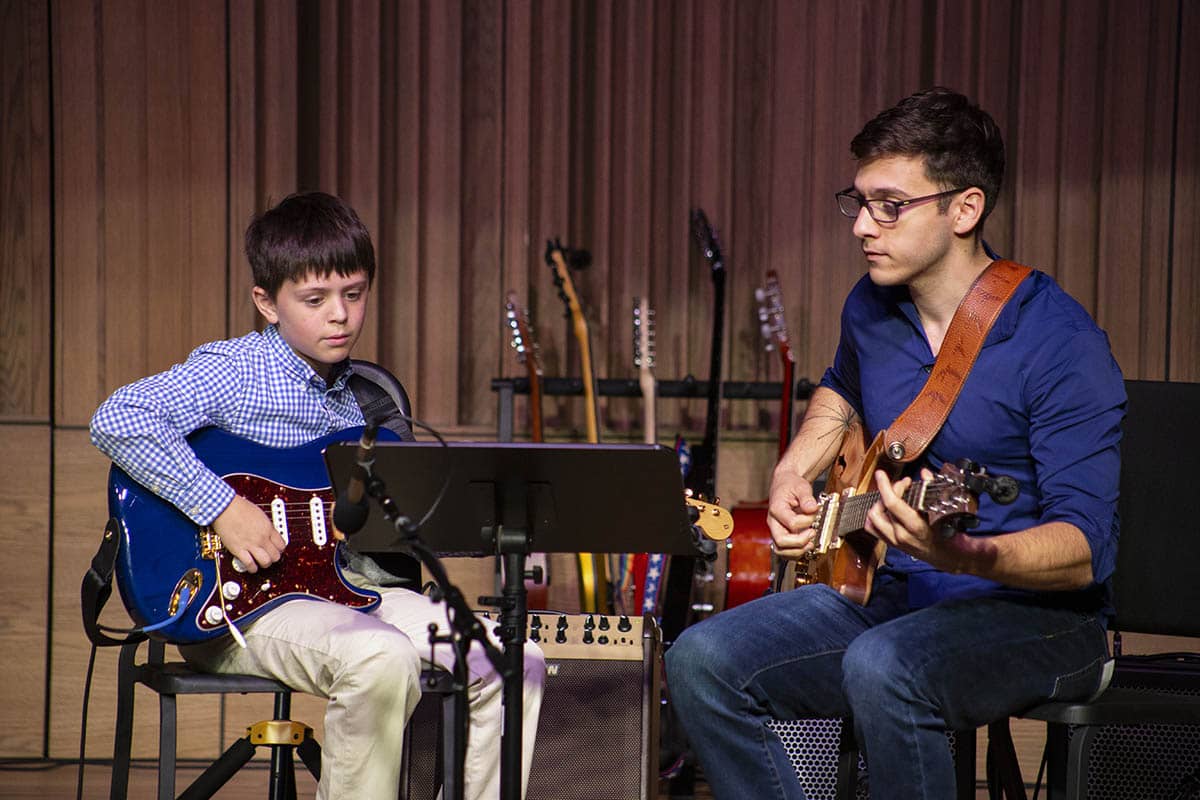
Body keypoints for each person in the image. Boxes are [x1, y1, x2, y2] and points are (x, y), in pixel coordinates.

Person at [664, 88, 1125, 799]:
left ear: (964, 210)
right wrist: (794, 466)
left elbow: (1087, 552)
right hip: (894, 592)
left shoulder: (1060, 343)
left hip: (1039, 618)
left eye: (890, 204)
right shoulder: (871, 306)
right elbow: (840, 388)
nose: (862, 227)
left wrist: (962, 551)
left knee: (884, 666)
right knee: (702, 658)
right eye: (859, 202)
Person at [90, 191, 545, 800]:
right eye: (315, 299)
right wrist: (223, 508)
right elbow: (118, 417)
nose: (341, 316)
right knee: (380, 657)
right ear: (266, 302)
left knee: (516, 662)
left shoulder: (366, 399)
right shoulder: (236, 370)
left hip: (341, 590)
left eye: (354, 294)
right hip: (233, 606)